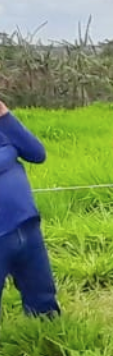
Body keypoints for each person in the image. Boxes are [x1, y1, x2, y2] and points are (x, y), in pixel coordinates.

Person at [0, 97, 60, 318]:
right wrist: (9, 153)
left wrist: (5, 117)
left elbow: (36, 153)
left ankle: (47, 344)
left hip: (26, 225)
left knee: (43, 298)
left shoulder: (3, 127)